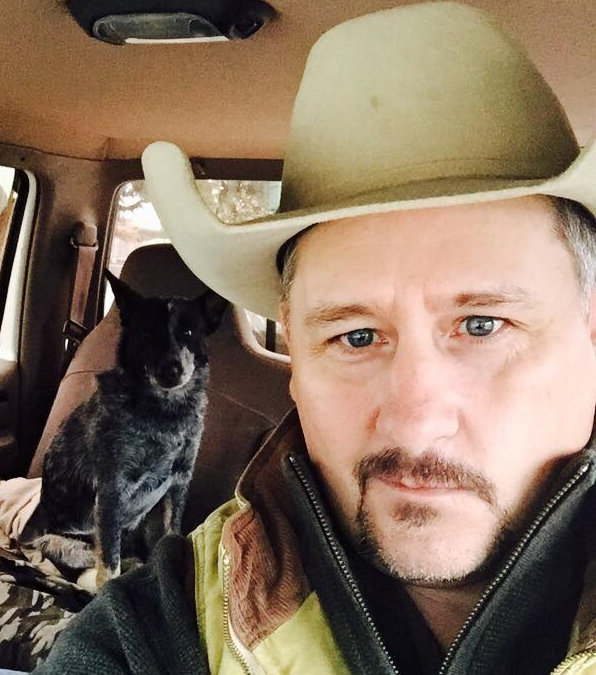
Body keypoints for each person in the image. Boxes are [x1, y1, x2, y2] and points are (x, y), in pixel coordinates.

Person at [35, 2, 596, 674]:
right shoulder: (156, 632)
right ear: (297, 363)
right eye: (356, 336)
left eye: (482, 326)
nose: (416, 420)